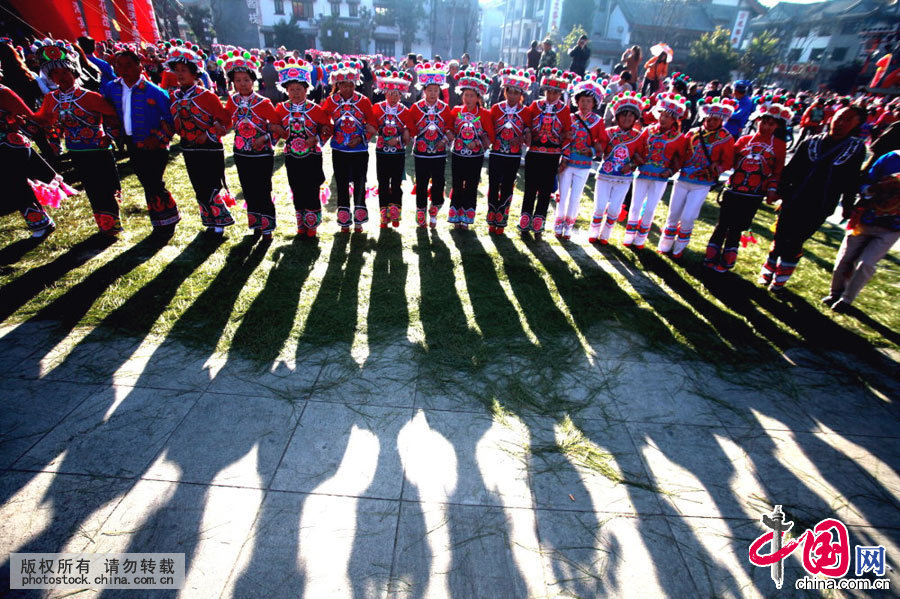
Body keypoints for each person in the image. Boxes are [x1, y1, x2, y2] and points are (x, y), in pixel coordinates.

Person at [758, 105, 866, 294]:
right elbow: (791, 170)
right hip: (794, 198)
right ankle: (768, 271)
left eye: (848, 120)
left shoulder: (855, 148)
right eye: (839, 117)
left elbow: (851, 180)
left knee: (796, 240)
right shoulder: (811, 142)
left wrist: (849, 206)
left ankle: (780, 279)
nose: (840, 123)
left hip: (821, 203)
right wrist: (777, 191)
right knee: (780, 236)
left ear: (857, 124)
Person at [33, 39, 123, 236]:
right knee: (91, 189)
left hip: (98, 150)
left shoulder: (89, 96)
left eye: (65, 72)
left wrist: (110, 135)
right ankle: (104, 225)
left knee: (105, 188)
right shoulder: (51, 98)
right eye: (56, 73)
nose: (61, 77)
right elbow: (44, 120)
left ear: (74, 72)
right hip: (76, 150)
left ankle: (112, 225)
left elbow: (113, 115)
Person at [103, 48, 181, 236]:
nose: (124, 70)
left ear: (140, 66)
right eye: (119, 66)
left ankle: (166, 218)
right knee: (146, 181)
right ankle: (163, 217)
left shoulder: (154, 91)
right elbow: (109, 114)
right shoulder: (112, 88)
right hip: (131, 143)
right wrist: (113, 135)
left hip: (155, 145)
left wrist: (159, 138)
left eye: (129, 65)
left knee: (153, 180)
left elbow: (171, 120)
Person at [704, 100, 789, 272]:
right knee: (722, 224)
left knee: (736, 227)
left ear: (777, 126)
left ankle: (727, 261)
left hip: (754, 194)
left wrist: (772, 190)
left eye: (770, 123)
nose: (765, 126)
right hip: (733, 190)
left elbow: (777, 172)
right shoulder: (744, 140)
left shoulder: (779, 146)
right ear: (757, 121)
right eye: (763, 121)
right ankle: (710, 256)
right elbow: (729, 160)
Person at [166, 43, 235, 237]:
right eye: (177, 71)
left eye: (184, 71)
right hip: (189, 148)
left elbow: (226, 120)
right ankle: (208, 220)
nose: (180, 74)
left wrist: (209, 133)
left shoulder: (207, 96)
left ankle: (220, 220)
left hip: (210, 147)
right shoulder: (175, 96)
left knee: (212, 183)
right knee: (198, 184)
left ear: (195, 73)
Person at [658, 96, 736, 258]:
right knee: (673, 213)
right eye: (709, 118)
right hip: (683, 179)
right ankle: (665, 245)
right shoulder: (693, 133)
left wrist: (715, 169)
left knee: (688, 216)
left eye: (715, 119)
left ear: (721, 120)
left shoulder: (726, 138)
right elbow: (680, 153)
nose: (711, 122)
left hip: (702, 183)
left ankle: (679, 247)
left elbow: (727, 162)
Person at [825, 151, 900, 312]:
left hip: (892, 228)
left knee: (866, 264)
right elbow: (865, 183)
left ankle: (846, 300)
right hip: (864, 219)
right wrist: (873, 188)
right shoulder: (891, 158)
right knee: (843, 261)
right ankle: (835, 293)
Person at [222, 49, 283, 238]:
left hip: (262, 153)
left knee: (263, 188)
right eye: (238, 80)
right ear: (233, 82)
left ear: (254, 80)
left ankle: (268, 227)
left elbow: (279, 129)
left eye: (246, 80)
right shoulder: (232, 101)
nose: (242, 84)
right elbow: (227, 122)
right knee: (248, 188)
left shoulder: (263, 103)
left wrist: (263, 139)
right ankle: (256, 224)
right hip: (241, 152)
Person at [274, 57, 332, 237]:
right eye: (291, 90)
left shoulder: (316, 109)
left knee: (312, 189)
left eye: (299, 89)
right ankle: (301, 224)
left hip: (312, 157)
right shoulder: (281, 109)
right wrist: (276, 131)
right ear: (286, 90)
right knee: (296, 189)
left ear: (307, 89)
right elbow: (275, 129)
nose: (295, 93)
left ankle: (312, 225)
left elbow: (328, 129)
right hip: (292, 156)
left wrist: (316, 138)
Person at [624, 92, 688, 249]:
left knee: (650, 208)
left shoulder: (679, 138)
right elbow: (637, 147)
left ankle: (640, 239)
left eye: (668, 116)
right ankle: (629, 236)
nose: (664, 119)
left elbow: (680, 158)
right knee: (635, 205)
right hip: (642, 174)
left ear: (675, 119)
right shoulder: (648, 131)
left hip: (660, 177)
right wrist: (636, 159)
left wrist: (671, 171)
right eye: (662, 115)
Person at [519, 67, 575, 238]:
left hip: (552, 155)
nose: (551, 96)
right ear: (544, 91)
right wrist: (528, 132)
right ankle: (525, 220)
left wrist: (564, 158)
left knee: (545, 190)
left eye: (555, 93)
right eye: (549, 92)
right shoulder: (535, 105)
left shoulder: (564, 110)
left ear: (560, 93)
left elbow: (568, 135)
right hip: (534, 152)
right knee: (529, 187)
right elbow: (526, 124)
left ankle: (539, 221)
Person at [0, 65, 55, 237]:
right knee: (12, 186)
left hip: (11, 146)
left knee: (16, 185)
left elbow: (30, 115)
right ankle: (39, 221)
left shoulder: (3, 92)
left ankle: (41, 223)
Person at [321, 60, 376, 233]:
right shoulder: (331, 101)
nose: (347, 89)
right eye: (343, 85)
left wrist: (361, 138)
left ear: (355, 84)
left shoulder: (364, 101)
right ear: (338, 84)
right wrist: (325, 128)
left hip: (359, 149)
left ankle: (359, 221)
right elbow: (323, 119)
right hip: (339, 149)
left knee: (360, 182)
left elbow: (373, 122)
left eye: (350, 85)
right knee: (342, 183)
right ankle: (344, 221)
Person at [589, 91, 646, 244]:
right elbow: (598, 147)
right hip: (604, 176)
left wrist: (632, 164)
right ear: (617, 117)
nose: (627, 119)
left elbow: (642, 157)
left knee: (614, 209)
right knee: (600, 207)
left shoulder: (639, 136)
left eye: (630, 116)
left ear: (635, 118)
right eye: (623, 115)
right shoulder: (608, 133)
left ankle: (605, 235)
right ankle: (593, 232)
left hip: (624, 178)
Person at [556, 75, 607, 240]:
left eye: (589, 101)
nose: (585, 104)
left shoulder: (598, 121)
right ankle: (558, 225)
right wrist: (565, 141)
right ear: (577, 101)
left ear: (594, 104)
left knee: (575, 197)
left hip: (584, 166)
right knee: (562, 196)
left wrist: (592, 150)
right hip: (568, 163)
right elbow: (563, 139)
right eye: (582, 100)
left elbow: (603, 142)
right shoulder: (570, 119)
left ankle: (569, 228)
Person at [406, 62, 454, 227]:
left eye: (436, 90)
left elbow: (451, 129)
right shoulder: (416, 107)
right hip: (421, 153)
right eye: (430, 90)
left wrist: (445, 140)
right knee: (421, 183)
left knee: (439, 182)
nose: (433, 93)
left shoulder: (445, 108)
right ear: (424, 90)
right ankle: (421, 211)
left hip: (439, 152)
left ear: (440, 90)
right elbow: (410, 127)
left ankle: (434, 209)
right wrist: (409, 135)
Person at [448, 69, 494, 229]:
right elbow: (450, 130)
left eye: (472, 96)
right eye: (466, 95)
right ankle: (455, 217)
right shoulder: (456, 111)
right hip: (458, 153)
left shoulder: (484, 114)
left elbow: (489, 139)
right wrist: (451, 135)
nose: (468, 99)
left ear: (478, 97)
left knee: (471, 186)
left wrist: (479, 142)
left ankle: (466, 219)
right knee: (457, 184)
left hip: (475, 156)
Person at [487, 68, 531, 234]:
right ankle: (491, 219)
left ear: (521, 95)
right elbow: (488, 130)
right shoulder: (496, 109)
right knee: (493, 185)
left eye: (516, 93)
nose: (512, 96)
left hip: (513, 155)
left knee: (507, 186)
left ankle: (502, 220)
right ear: (504, 92)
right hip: (496, 153)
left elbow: (528, 137)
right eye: (509, 92)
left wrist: (519, 139)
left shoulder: (526, 112)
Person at [371, 68, 413, 228]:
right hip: (382, 151)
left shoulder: (405, 111)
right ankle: (383, 216)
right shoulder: (377, 108)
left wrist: (401, 137)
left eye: (397, 94)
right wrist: (381, 132)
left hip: (398, 152)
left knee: (396, 182)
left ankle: (395, 214)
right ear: (384, 92)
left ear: (401, 94)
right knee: (382, 182)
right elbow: (372, 126)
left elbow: (409, 131)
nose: (393, 97)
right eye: (390, 93)